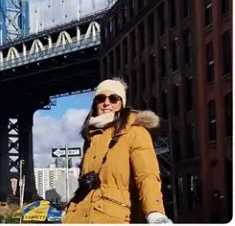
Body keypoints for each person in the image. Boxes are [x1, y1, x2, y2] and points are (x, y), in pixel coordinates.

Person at [62, 79, 172, 224]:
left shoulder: (135, 133)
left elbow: (147, 176)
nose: (107, 103)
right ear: (95, 104)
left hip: (114, 218)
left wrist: (154, 212)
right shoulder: (91, 138)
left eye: (114, 99)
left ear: (122, 104)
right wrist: (68, 211)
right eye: (101, 98)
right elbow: (86, 184)